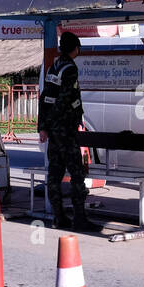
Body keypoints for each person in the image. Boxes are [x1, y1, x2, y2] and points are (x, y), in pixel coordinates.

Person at [38, 31, 96, 230]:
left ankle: (59, 217)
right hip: (65, 129)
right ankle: (80, 219)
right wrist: (71, 120)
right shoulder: (70, 68)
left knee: (54, 174)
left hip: (53, 131)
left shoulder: (54, 66)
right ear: (76, 48)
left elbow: (45, 97)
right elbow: (66, 98)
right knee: (77, 174)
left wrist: (44, 126)